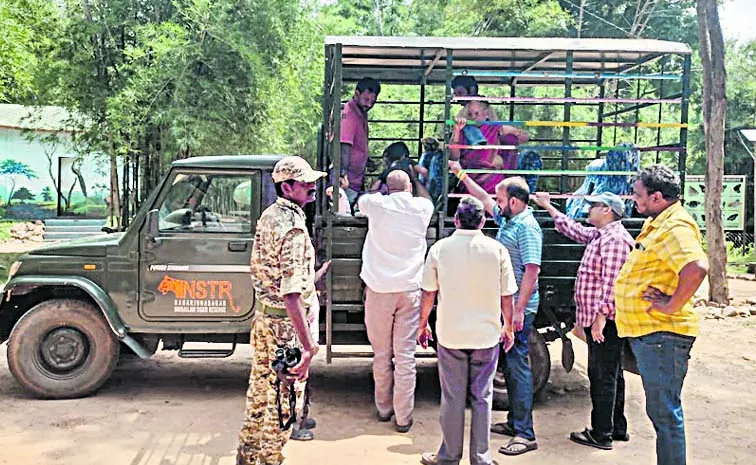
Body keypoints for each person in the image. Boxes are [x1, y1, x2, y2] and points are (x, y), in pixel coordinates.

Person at [237, 156, 329, 464]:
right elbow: (291, 294)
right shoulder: (293, 229)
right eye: (304, 183)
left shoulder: (269, 215)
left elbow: (273, 275)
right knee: (284, 403)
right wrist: (308, 346)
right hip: (285, 327)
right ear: (286, 187)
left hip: (265, 319)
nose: (312, 187)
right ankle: (270, 459)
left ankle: (248, 455)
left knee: (260, 394)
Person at [614, 165, 709, 465]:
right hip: (651, 334)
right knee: (661, 413)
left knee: (665, 414)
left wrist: (671, 305)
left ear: (656, 197)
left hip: (662, 335)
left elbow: (697, 267)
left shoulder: (675, 227)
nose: (634, 199)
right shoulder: (659, 222)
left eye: (638, 195)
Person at [448, 160, 542, 457]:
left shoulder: (527, 227)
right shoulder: (510, 220)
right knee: (512, 365)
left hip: (519, 309)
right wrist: (461, 174)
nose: (496, 204)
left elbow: (531, 270)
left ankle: (525, 434)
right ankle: (515, 421)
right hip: (511, 307)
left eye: (501, 199)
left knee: (518, 367)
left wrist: (517, 310)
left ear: (514, 201)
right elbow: (484, 200)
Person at [417, 196, 518, 465]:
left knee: (452, 397)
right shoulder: (496, 250)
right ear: (483, 221)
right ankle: (481, 458)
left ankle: (448, 456)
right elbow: (507, 296)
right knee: (482, 398)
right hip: (486, 337)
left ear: (457, 220)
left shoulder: (440, 249)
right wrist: (508, 327)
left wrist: (422, 324)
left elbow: (428, 293)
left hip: (450, 335)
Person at [533, 191, 633, 450]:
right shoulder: (601, 235)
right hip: (600, 318)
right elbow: (575, 230)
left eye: (594, 206)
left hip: (605, 320)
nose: (589, 210)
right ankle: (616, 427)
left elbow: (613, 284)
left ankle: (601, 434)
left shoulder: (614, 241)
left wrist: (600, 318)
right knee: (611, 372)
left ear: (607, 211)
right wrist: (548, 207)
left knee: (602, 375)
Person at [358, 170, 434, 433]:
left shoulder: (377, 205)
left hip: (379, 290)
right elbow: (429, 199)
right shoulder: (421, 208)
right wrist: (417, 181)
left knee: (381, 354)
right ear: (410, 187)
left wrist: (379, 181)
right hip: (410, 290)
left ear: (387, 188)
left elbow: (364, 198)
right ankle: (403, 417)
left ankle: (383, 408)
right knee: (405, 357)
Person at [449, 101, 529, 193]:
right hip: (470, 176)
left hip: (492, 176)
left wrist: (517, 134)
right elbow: (454, 157)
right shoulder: (463, 129)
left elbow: (525, 137)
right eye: (470, 114)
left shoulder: (495, 128)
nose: (473, 117)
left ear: (486, 114)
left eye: (477, 113)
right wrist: (457, 130)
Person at [339, 77, 381, 205]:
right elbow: (344, 145)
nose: (369, 104)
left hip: (356, 180)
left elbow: (356, 145)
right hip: (348, 181)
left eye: (372, 102)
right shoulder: (349, 114)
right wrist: (343, 175)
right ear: (357, 94)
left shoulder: (361, 113)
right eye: (366, 99)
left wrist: (366, 161)